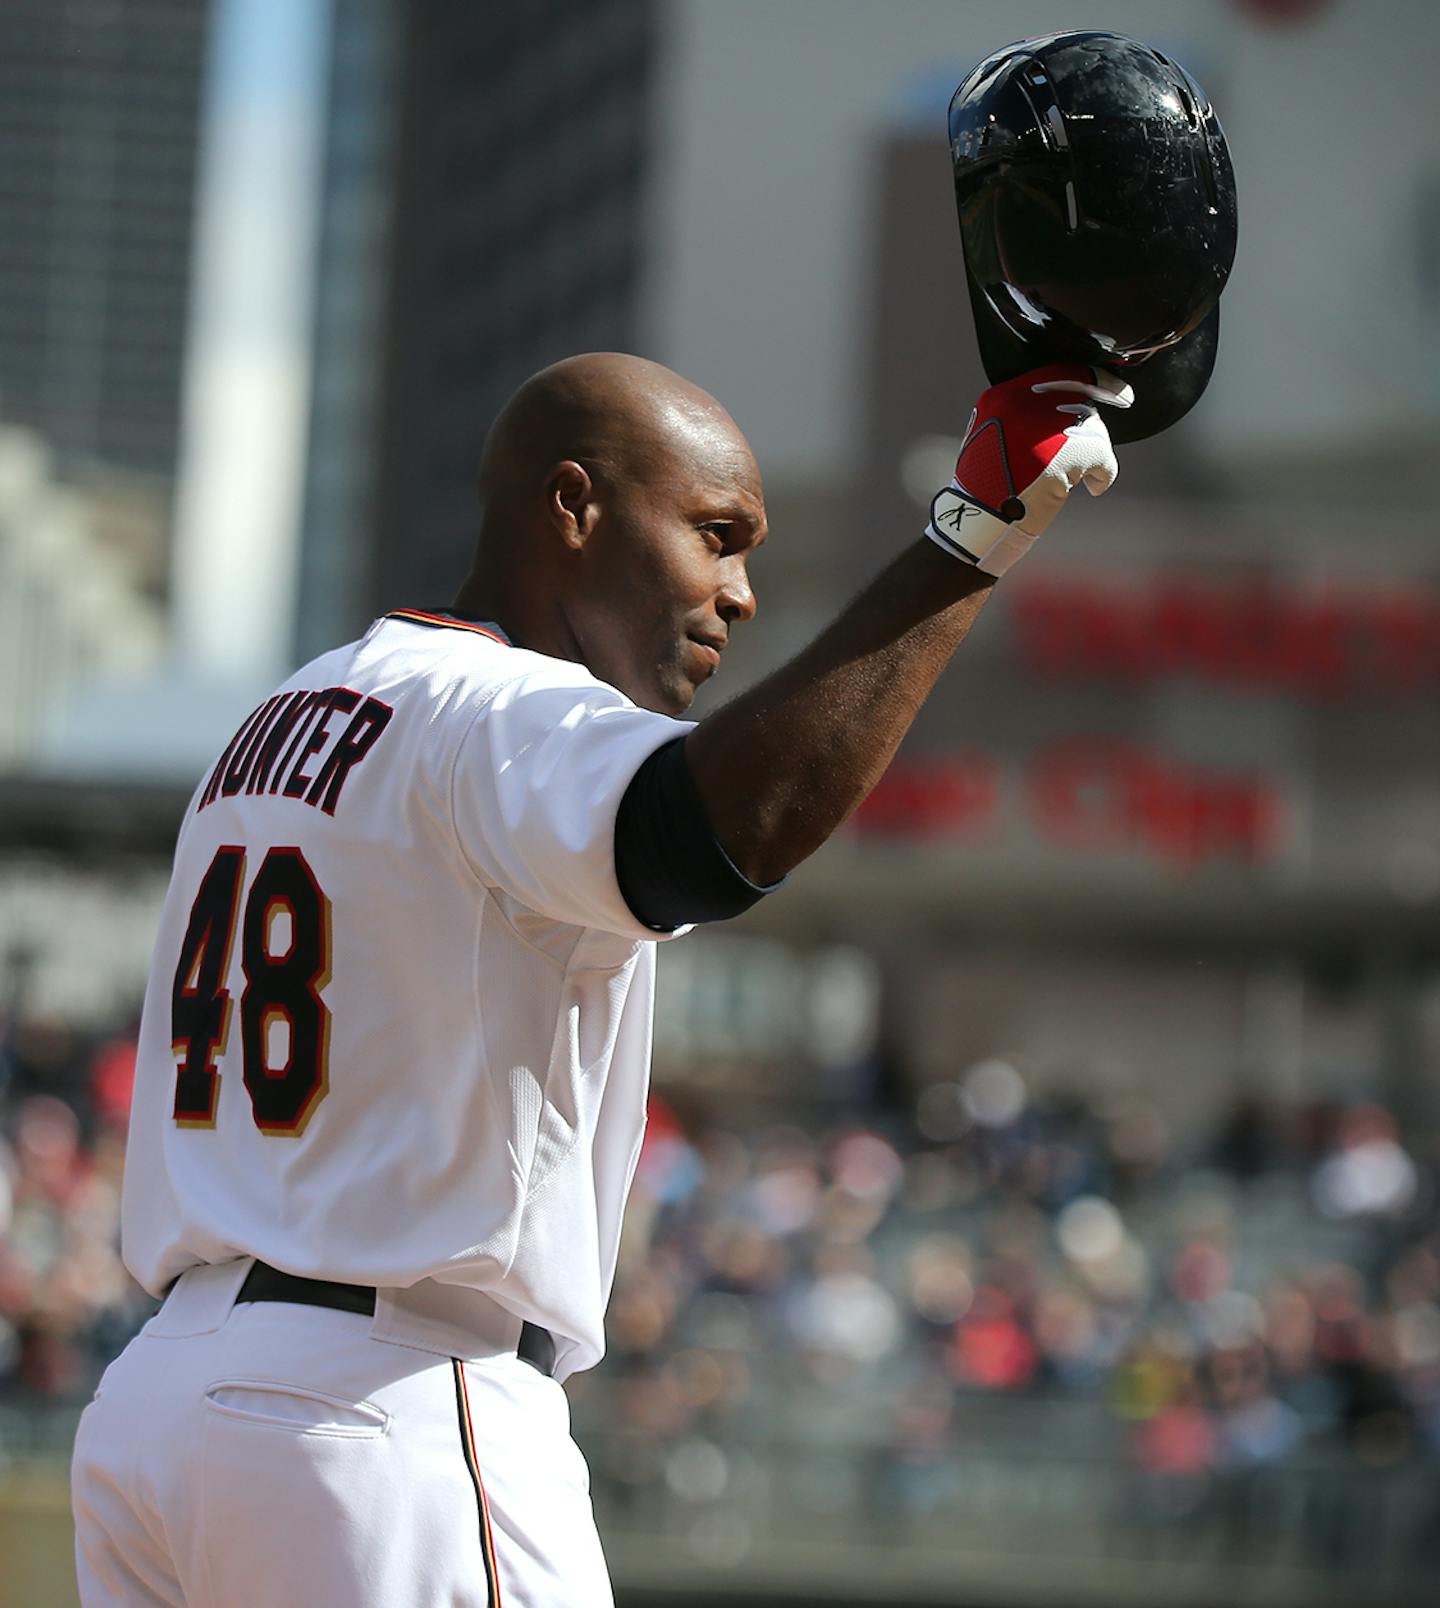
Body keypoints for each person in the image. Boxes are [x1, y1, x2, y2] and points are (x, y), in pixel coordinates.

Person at [70, 350, 1128, 1606]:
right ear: (572, 507)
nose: (737, 593)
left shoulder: (278, 719)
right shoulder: (500, 711)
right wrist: (970, 536)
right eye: (714, 536)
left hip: (159, 1411)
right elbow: (713, 832)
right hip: (382, 1411)